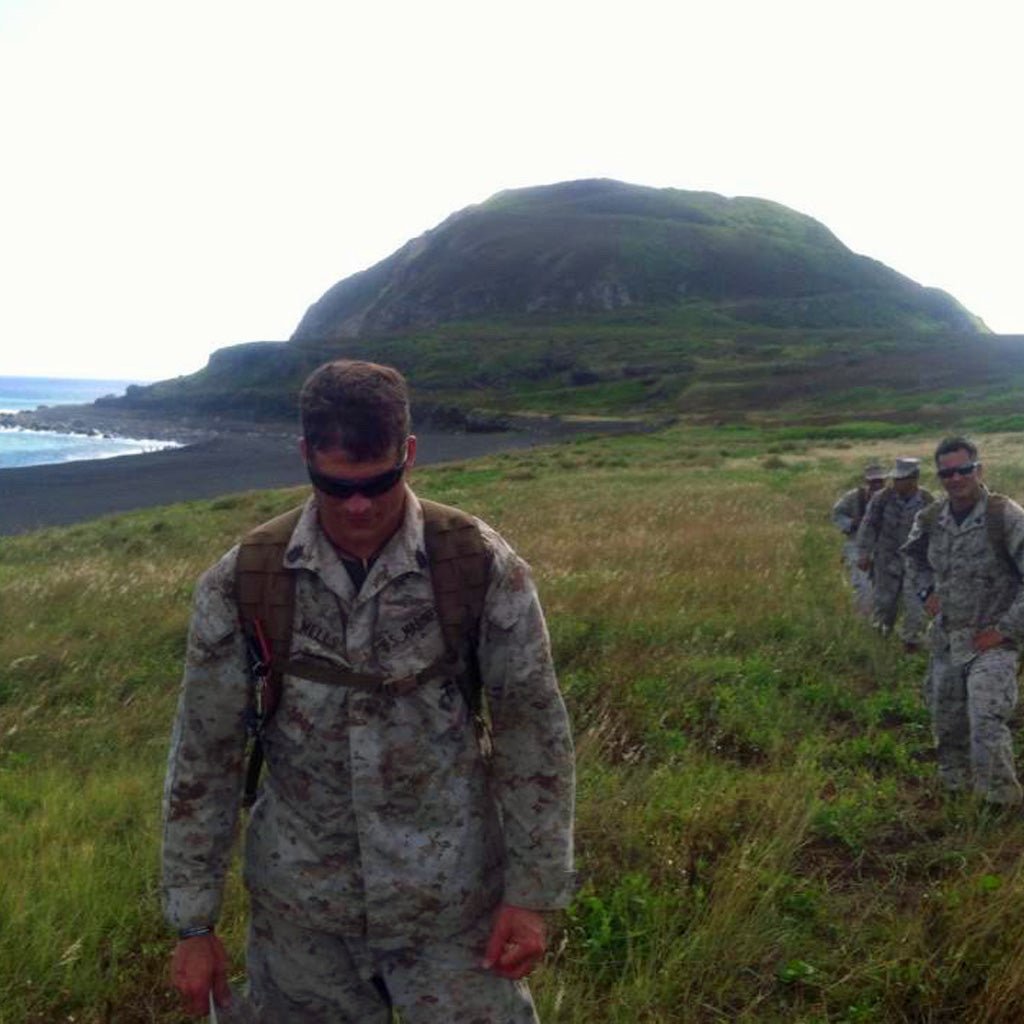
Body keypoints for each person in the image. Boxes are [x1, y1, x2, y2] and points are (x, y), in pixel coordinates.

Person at [162, 360, 576, 1022]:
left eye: (379, 483)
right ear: (304, 457)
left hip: (450, 914)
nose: (357, 506)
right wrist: (193, 923)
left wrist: (532, 894)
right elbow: (203, 758)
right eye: (333, 485)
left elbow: (533, 734)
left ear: (409, 453)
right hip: (303, 925)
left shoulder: (478, 565)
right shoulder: (243, 580)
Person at [903, 436, 1024, 806]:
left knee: (986, 719)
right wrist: (927, 595)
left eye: (963, 470)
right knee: (947, 719)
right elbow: (914, 560)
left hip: (994, 642)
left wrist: (1004, 631)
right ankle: (955, 791)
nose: (956, 479)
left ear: (979, 470)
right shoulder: (929, 519)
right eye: (946, 473)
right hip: (946, 639)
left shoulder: (1006, 517)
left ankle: (999, 802)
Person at [856, 457, 934, 651]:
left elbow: (937, 532)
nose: (895, 482)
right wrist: (864, 553)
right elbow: (868, 526)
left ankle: (911, 644)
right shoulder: (881, 498)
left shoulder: (928, 501)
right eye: (895, 478)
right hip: (886, 561)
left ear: (914, 479)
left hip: (916, 565)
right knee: (884, 606)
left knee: (915, 608)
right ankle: (879, 642)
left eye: (901, 479)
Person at [831, 463, 886, 618]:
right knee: (863, 586)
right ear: (866, 482)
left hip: (882, 547)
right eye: (873, 481)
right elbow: (836, 514)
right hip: (856, 544)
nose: (877, 485)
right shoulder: (854, 497)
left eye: (879, 481)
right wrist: (852, 523)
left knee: (883, 587)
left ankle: (880, 621)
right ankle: (863, 622)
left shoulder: (890, 497)